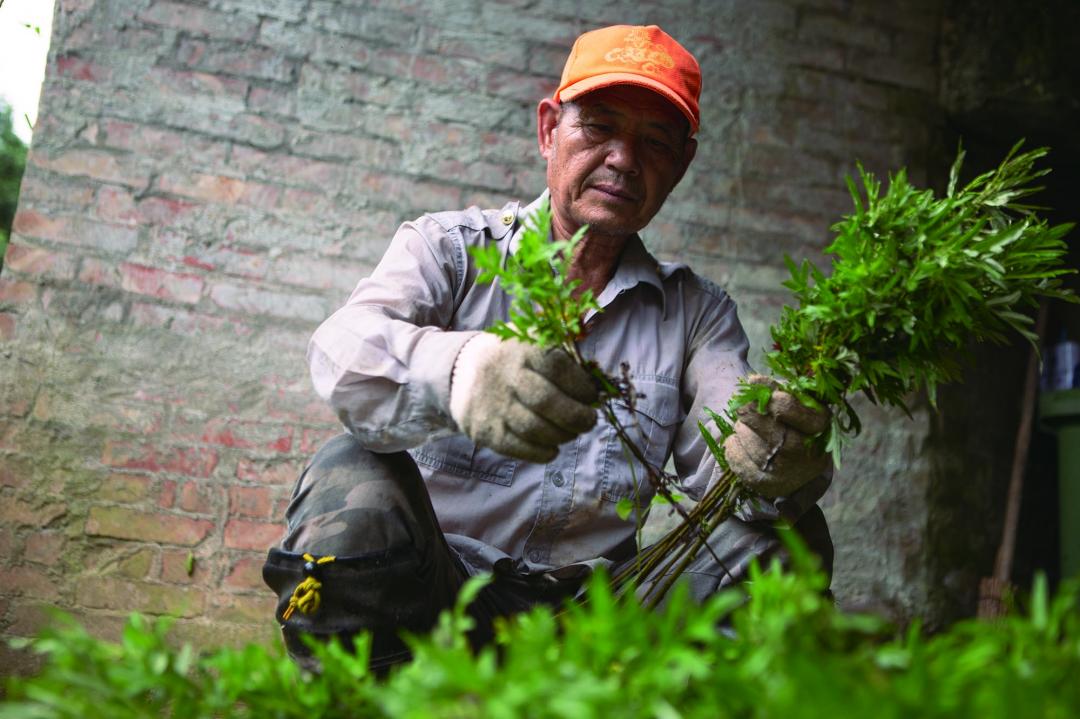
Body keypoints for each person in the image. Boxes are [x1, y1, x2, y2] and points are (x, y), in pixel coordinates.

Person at [262, 24, 833, 671]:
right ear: (548, 129)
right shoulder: (450, 250)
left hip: (606, 617)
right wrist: (463, 371)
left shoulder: (694, 312)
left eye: (654, 142)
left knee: (785, 537)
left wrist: (768, 451)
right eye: (599, 127)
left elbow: (730, 431)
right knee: (351, 474)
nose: (623, 158)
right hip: (436, 593)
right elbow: (342, 351)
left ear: (681, 164)